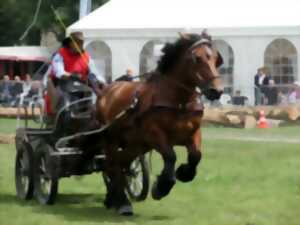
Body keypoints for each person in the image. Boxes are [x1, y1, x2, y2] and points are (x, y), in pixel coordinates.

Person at [46, 31, 106, 115]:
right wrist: (72, 75)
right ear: (71, 43)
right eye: (78, 42)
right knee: (62, 97)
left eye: (81, 43)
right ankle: (59, 117)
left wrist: (101, 81)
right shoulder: (60, 54)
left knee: (93, 94)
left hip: (81, 85)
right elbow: (59, 72)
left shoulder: (86, 56)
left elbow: (94, 72)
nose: (80, 45)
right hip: (60, 84)